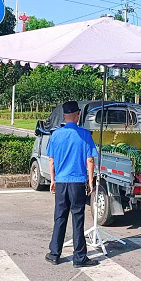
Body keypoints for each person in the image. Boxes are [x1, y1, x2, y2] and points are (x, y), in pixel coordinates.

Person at [45, 101, 99, 268]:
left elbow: (51, 160)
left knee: (60, 217)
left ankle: (54, 254)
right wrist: (90, 181)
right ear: (78, 116)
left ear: (63, 117)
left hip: (61, 182)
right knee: (78, 219)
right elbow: (90, 160)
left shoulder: (56, 135)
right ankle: (79, 257)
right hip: (77, 183)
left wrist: (53, 180)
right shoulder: (85, 135)